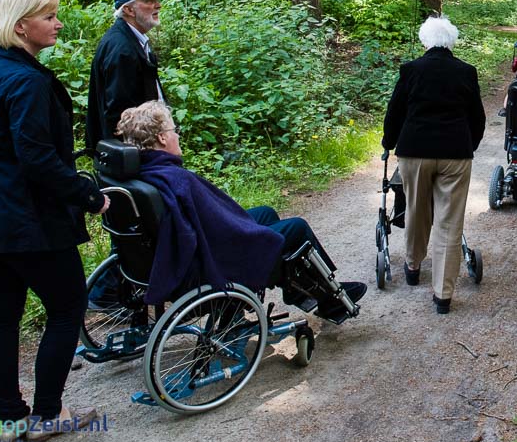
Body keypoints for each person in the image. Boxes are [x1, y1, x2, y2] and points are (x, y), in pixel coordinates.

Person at [0, 0, 109, 442]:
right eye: (49, 16)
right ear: (21, 26)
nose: (58, 23)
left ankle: (12, 419)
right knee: (67, 308)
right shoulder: (29, 82)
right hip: (26, 220)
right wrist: (89, 195)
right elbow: (36, 160)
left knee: (0, 316)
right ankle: (47, 415)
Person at [113, 102, 365, 320]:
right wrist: (253, 233)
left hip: (177, 255)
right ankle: (333, 297)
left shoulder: (144, 176)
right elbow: (222, 228)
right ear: (162, 138)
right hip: (208, 263)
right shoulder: (177, 179)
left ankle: (296, 288)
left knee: (265, 213)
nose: (177, 135)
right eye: (173, 130)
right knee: (296, 227)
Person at [381, 16, 486, 314]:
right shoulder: (466, 72)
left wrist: (389, 142)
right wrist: (470, 145)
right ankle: (443, 295)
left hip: (415, 152)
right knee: (449, 223)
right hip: (455, 153)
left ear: (425, 41)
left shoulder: (411, 70)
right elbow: (477, 117)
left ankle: (413, 268)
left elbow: (395, 112)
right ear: (451, 42)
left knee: (416, 209)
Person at [86, 0, 169, 152]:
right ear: (128, 10)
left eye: (156, 0)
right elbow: (119, 112)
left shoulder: (133, 40)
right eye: (148, 1)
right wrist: (129, 154)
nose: (158, 5)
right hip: (133, 151)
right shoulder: (122, 49)